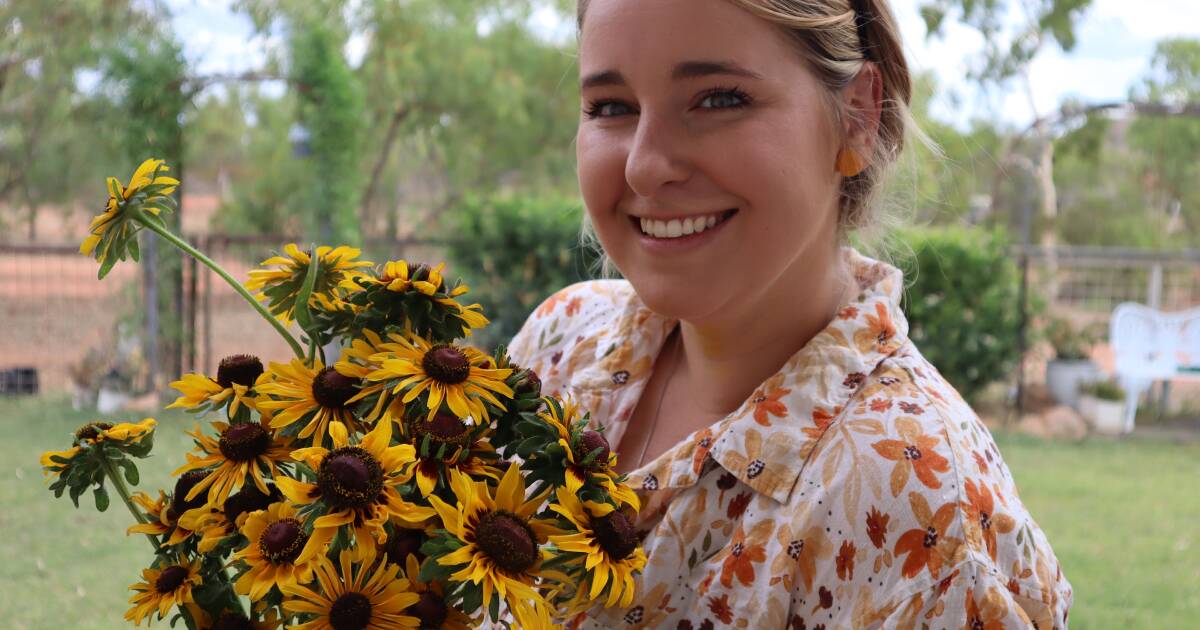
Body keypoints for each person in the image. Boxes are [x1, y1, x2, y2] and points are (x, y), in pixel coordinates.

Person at [507, 0, 1073, 627]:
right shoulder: (559, 345)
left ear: (857, 116)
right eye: (612, 107)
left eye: (718, 99)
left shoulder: (918, 512)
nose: (644, 164)